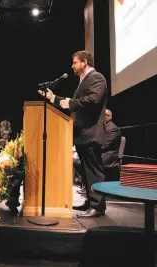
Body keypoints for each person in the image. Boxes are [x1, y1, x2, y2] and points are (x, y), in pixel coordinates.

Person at [39, 50, 107, 218]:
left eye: (75, 62)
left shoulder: (96, 77)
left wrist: (70, 102)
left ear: (84, 62)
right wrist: (54, 98)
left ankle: (98, 207)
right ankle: (91, 201)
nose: (72, 66)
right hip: (82, 134)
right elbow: (73, 103)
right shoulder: (84, 80)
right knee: (85, 171)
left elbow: (93, 100)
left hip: (90, 133)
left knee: (93, 171)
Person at [102, 109, 121, 181]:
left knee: (90, 158)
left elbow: (106, 145)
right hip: (103, 152)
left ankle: (91, 184)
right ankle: (89, 184)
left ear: (108, 116)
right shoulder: (105, 127)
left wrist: (94, 147)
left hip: (109, 154)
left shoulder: (113, 129)